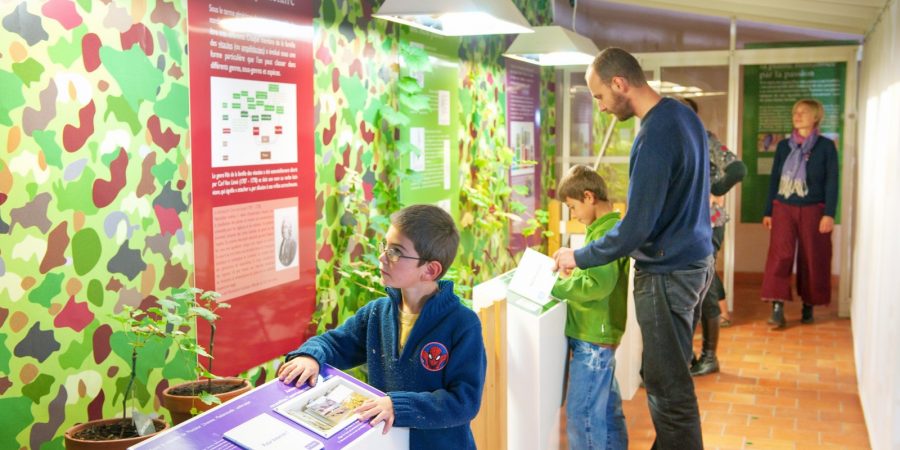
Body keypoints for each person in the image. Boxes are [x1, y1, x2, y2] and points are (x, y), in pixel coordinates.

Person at [552, 47, 714, 450]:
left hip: (666, 273)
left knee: (667, 387)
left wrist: (579, 255)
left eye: (600, 96)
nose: (601, 106)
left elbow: (636, 228)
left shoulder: (654, 136)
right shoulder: (682, 116)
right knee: (664, 376)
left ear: (620, 84)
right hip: (694, 262)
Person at [277, 204, 487, 450]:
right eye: (385, 246)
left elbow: (464, 401)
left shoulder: (463, 324)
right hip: (388, 443)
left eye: (396, 251)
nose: (383, 257)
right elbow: (334, 343)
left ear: (430, 270)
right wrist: (310, 356)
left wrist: (397, 406)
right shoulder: (377, 313)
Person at [551, 165, 629, 449]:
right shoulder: (606, 230)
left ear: (589, 197)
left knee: (582, 416)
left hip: (593, 338)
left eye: (572, 208)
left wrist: (556, 286)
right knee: (607, 411)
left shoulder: (605, 234)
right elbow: (593, 276)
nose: (573, 216)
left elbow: (598, 286)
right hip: (597, 336)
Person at [679, 97, 747, 376]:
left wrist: (714, 189)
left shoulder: (706, 140)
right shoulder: (675, 142)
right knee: (691, 286)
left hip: (709, 223)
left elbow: (738, 168)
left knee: (704, 284)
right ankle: (692, 354)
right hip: (685, 225)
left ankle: (709, 357)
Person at [761, 99, 839, 328]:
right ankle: (777, 307)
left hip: (814, 209)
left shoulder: (826, 146)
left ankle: (809, 305)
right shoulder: (784, 146)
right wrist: (769, 211)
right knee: (780, 256)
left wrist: (830, 213)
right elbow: (775, 179)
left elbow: (832, 181)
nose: (797, 114)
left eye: (803, 112)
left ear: (815, 117)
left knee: (813, 257)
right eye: (795, 111)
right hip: (783, 207)